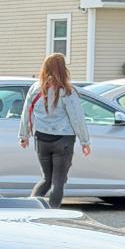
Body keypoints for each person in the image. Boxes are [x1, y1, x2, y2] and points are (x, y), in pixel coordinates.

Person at [18, 53, 91, 207]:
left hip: (41, 139)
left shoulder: (36, 89)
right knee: (58, 181)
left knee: (46, 179)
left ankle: (29, 209)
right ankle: (52, 213)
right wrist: (85, 141)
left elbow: (26, 113)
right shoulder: (67, 91)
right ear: (63, 69)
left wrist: (24, 136)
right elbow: (77, 118)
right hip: (63, 140)